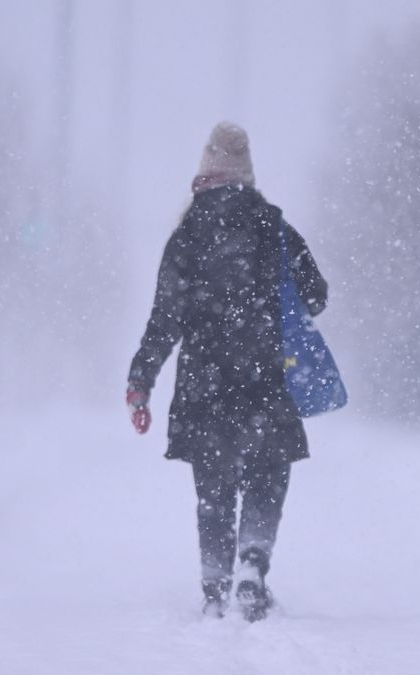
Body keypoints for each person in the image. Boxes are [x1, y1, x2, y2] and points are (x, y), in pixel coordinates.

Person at [126, 122, 328, 621]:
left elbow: (165, 318)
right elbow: (317, 295)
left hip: (205, 381)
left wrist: (140, 381)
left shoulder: (188, 235)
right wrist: (271, 299)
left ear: (206, 170)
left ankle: (216, 587)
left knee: (213, 488)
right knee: (265, 476)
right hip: (265, 375)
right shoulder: (274, 227)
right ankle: (253, 566)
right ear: (247, 171)